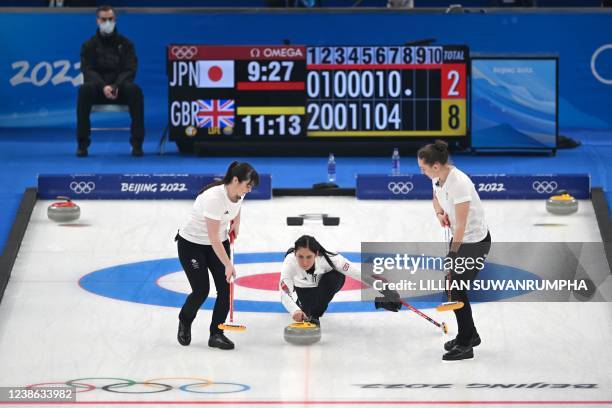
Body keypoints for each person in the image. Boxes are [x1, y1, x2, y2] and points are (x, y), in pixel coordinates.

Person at [417, 140, 491, 361]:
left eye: (423, 168)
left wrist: (452, 255)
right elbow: (436, 199)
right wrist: (440, 214)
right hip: (460, 241)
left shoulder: (459, 183)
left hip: (475, 243)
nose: (422, 172)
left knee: (456, 289)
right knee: (453, 286)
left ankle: (466, 344)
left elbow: (461, 225)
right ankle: (470, 334)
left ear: (436, 165)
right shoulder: (437, 178)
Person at [175, 162, 259, 350]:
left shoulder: (240, 191)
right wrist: (228, 264)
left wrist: (236, 222)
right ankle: (185, 321)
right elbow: (212, 238)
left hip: (219, 242)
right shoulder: (214, 198)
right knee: (201, 290)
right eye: (248, 184)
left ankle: (216, 333)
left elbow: (237, 207)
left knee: (224, 290)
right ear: (235, 180)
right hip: (192, 245)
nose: (249, 189)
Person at [279, 235, 402, 327]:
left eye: (309, 257)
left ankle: (314, 317)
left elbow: (357, 273)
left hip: (323, 286)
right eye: (300, 257)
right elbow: (284, 291)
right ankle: (308, 310)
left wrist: (385, 290)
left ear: (316, 254)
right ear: (295, 253)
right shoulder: (289, 262)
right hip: (303, 290)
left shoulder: (331, 258)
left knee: (336, 276)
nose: (304, 262)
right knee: (304, 310)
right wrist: (294, 310)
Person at [76, 5, 144, 157]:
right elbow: (88, 70)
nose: (107, 22)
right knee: (84, 89)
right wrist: (103, 87)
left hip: (120, 89)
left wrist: (116, 85)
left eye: (110, 19)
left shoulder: (126, 44)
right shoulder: (89, 45)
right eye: (104, 19)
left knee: (135, 90)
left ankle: (137, 143)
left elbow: (130, 69)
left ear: (115, 20)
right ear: (97, 21)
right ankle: (82, 143)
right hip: (98, 90)